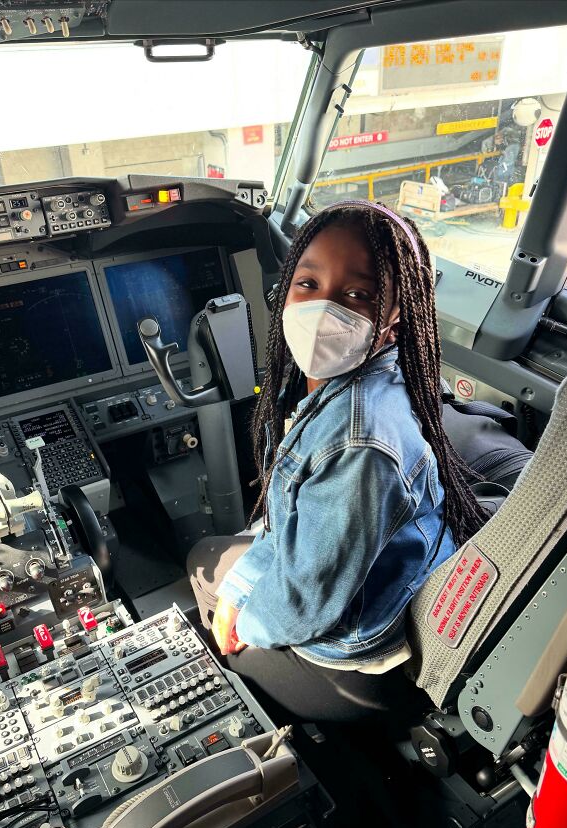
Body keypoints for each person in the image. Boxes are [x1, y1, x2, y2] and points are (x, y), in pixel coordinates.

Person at [188, 200, 489, 725]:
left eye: (357, 294)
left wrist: (244, 622)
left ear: (396, 313)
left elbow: (305, 602)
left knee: (201, 558)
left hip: (353, 652)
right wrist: (241, 587)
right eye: (308, 285)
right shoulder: (368, 381)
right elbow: (291, 526)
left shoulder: (359, 444)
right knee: (233, 577)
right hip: (376, 589)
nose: (324, 309)